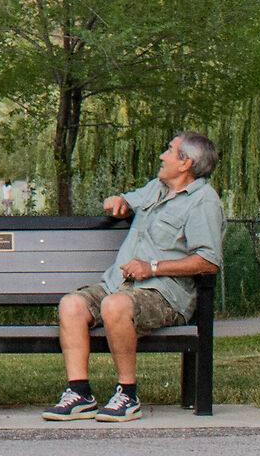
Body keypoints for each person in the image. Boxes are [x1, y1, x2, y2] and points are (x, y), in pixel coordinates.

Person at [42, 131, 226, 424]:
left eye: (169, 150)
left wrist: (152, 267)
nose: (162, 155)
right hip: (120, 285)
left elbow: (208, 261)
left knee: (116, 305)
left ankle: (127, 395)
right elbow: (128, 200)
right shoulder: (158, 188)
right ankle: (80, 394)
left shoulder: (203, 201)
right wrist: (120, 201)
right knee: (71, 305)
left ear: (186, 163)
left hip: (164, 294)